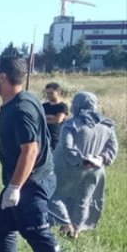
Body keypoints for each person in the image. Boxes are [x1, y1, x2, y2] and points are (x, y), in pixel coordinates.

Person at [0, 52, 68, 252]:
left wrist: (14, 188)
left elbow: (30, 150)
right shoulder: (22, 100)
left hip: (30, 182)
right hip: (23, 179)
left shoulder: (21, 108)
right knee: (1, 224)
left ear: (2, 76)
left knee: (37, 232)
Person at [49, 91, 117, 238]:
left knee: (54, 196)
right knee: (82, 200)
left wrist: (82, 160)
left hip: (68, 168)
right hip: (95, 170)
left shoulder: (71, 124)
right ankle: (76, 231)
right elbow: (112, 149)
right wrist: (101, 159)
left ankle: (66, 225)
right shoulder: (106, 125)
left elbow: (67, 146)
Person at [41, 82, 69, 151]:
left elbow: (58, 120)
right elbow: (38, 118)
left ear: (58, 93)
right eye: (47, 93)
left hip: (56, 138)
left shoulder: (62, 107)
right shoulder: (43, 106)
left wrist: (45, 118)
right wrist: (50, 117)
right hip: (43, 137)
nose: (48, 95)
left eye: (51, 93)